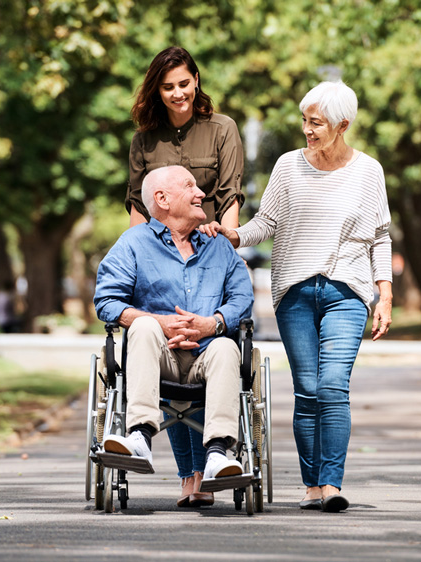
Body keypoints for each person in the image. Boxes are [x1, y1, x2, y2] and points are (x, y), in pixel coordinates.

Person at [201, 81, 393, 513]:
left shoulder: (368, 171)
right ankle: (311, 486)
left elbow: (380, 237)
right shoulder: (288, 167)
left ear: (342, 125)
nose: (307, 129)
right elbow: (266, 221)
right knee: (307, 389)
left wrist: (385, 296)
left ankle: (331, 483)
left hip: (347, 290)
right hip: (294, 292)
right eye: (305, 120)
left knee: (332, 386)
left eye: (316, 123)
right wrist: (234, 234)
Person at [125, 45, 246, 507]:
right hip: (162, 251)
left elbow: (231, 194)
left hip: (210, 250)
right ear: (157, 89)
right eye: (168, 86)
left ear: (197, 80)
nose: (178, 93)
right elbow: (140, 207)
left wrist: (227, 246)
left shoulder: (222, 130)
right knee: (163, 330)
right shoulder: (144, 139)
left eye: (185, 83)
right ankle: (189, 473)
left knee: (207, 344)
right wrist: (141, 259)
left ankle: (210, 461)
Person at [95, 165, 254, 504]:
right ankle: (139, 437)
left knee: (227, 347)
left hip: (207, 356)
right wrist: (158, 322)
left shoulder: (218, 245)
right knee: (144, 325)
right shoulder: (133, 243)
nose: (201, 194)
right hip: (159, 357)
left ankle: (216, 455)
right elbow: (106, 300)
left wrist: (213, 323)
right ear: (162, 199)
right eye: (190, 186)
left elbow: (243, 298)